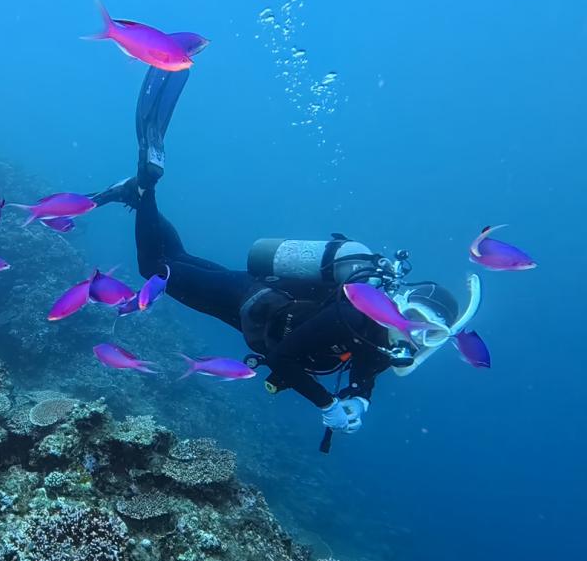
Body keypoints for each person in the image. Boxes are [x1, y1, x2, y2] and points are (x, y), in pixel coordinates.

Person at [91, 67, 468, 440]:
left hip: (254, 312)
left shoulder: (384, 342)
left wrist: (358, 401)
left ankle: (134, 195)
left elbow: (364, 373)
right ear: (402, 302)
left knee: (177, 258)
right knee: (155, 269)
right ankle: (144, 190)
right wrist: (327, 404)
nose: (417, 333)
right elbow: (281, 359)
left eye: (431, 334)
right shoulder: (355, 313)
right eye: (417, 319)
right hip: (250, 301)